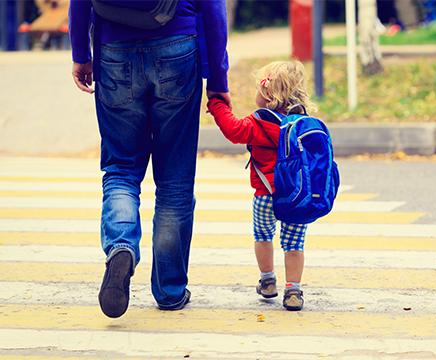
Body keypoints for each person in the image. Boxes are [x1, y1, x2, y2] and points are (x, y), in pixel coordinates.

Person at [69, 0, 230, 318]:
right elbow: (213, 9)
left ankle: (121, 245)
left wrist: (81, 54)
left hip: (114, 50)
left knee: (121, 167)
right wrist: (218, 80)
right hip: (177, 46)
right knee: (175, 179)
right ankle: (169, 291)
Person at [206, 60, 317, 311]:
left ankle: (268, 280)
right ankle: (293, 290)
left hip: (265, 195)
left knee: (263, 236)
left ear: (267, 94)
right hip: (298, 197)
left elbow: (233, 130)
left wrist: (217, 105)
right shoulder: (303, 125)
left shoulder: (260, 122)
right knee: (294, 244)